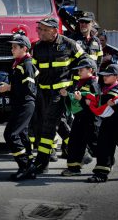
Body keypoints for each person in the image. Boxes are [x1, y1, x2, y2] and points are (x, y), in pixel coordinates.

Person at [31, 17, 87, 174]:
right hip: (44, 93)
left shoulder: (69, 44)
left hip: (61, 94)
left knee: (48, 126)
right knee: (60, 124)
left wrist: (74, 86)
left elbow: (86, 62)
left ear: (54, 31)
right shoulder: (37, 47)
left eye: (43, 29)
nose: (39, 32)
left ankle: (42, 164)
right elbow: (34, 70)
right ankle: (84, 155)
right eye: (39, 29)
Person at [0, 34, 38, 181]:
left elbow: (29, 88)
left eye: (15, 47)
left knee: (11, 134)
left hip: (25, 103)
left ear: (24, 48)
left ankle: (25, 166)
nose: (12, 49)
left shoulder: (26, 64)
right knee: (22, 135)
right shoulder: (18, 64)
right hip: (20, 103)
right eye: (12, 46)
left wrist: (9, 87)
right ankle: (30, 166)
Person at [59, 59, 101, 176]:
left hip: (91, 119)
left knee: (95, 144)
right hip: (79, 118)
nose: (79, 72)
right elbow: (77, 98)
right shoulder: (81, 83)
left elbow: (95, 102)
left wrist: (81, 99)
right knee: (74, 142)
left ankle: (106, 164)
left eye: (81, 70)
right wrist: (67, 95)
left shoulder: (93, 84)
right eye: (78, 70)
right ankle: (73, 168)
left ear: (91, 70)